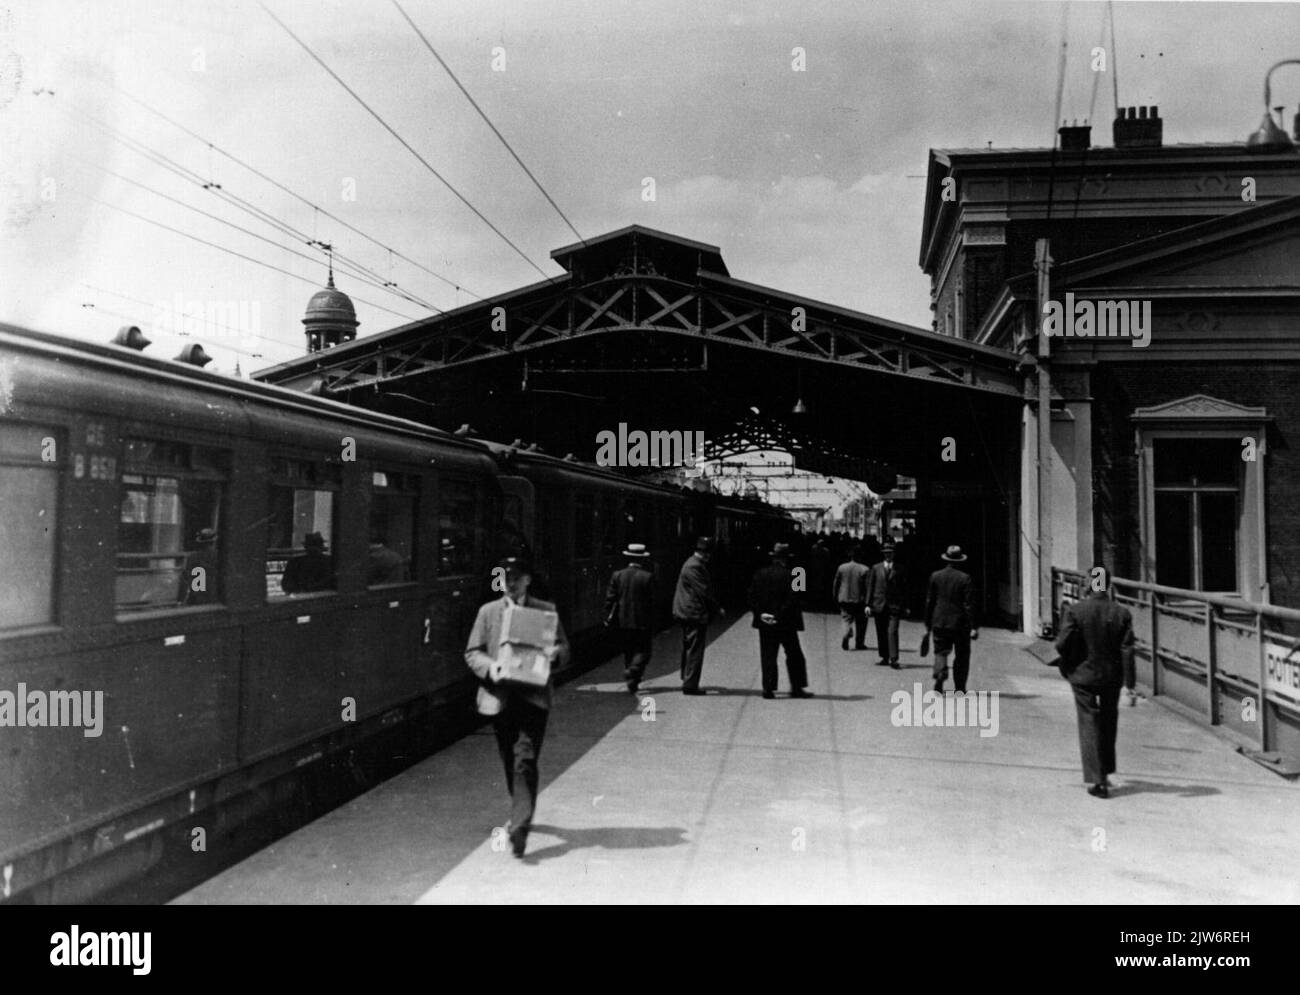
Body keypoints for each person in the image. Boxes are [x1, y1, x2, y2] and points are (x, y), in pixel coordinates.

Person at [464, 557, 570, 858]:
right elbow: (473, 652)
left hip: (533, 698)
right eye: (505, 578)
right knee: (510, 759)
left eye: (516, 578)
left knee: (525, 758)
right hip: (500, 698)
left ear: (527, 581)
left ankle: (519, 826)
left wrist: (554, 654)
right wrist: (490, 667)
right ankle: (520, 806)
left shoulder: (545, 611)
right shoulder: (489, 612)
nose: (509, 583)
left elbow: (565, 649)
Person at [1052, 569, 1136, 798]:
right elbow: (1127, 650)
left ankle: (1096, 779)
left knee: (1088, 722)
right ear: (1108, 585)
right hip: (1111, 677)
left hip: (1082, 675)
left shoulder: (1075, 611)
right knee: (1109, 722)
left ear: (1089, 584)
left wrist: (1069, 663)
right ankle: (1106, 771)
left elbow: (1062, 644)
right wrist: (1130, 684)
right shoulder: (1122, 613)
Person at [748, 542, 812, 700]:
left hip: (765, 622)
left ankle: (768, 689)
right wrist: (778, 615)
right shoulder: (796, 574)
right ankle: (797, 688)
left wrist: (762, 614)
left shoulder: (759, 573)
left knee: (768, 655)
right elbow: (795, 599)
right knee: (794, 654)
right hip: (786, 623)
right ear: (787, 558)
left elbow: (751, 597)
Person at [923, 545, 978, 692]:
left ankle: (940, 678)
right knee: (962, 655)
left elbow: (930, 601)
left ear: (946, 559)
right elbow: (968, 605)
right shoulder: (965, 578)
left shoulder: (935, 576)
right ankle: (959, 687)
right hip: (960, 624)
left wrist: (928, 622)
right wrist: (973, 626)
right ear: (960, 560)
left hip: (939, 621)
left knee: (940, 651)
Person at [672, 536, 722, 695]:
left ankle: (687, 678)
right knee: (695, 649)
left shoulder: (693, 563)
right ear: (706, 553)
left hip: (687, 612)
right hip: (693, 613)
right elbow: (704, 590)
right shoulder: (695, 566)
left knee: (689, 647)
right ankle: (690, 685)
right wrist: (717, 608)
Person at [603, 543, 655, 695]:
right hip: (641, 622)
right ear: (642, 559)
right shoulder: (647, 577)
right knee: (644, 651)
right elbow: (652, 601)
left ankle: (632, 682)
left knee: (628, 650)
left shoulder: (617, 575)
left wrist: (607, 615)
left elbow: (610, 599)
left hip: (623, 621)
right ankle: (633, 671)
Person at [865, 542, 906, 668]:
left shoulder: (900, 569)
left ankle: (894, 658)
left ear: (894, 554)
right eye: (886, 553)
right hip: (879, 604)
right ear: (883, 554)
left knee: (892, 631)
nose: (888, 555)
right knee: (881, 631)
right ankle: (884, 656)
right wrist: (868, 604)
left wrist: (905, 605)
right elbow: (870, 587)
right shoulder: (876, 568)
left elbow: (904, 589)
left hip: (894, 606)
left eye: (891, 553)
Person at [832, 545, 869, 651]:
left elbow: (836, 583)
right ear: (860, 556)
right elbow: (867, 587)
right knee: (861, 622)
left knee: (846, 619)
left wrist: (835, 596)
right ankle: (859, 643)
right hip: (859, 600)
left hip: (844, 598)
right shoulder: (865, 569)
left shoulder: (842, 567)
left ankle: (846, 633)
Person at [182, 527, 218, 605]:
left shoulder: (192, 557)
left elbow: (186, 577)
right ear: (213, 542)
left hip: (196, 597)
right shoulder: (218, 556)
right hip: (213, 597)